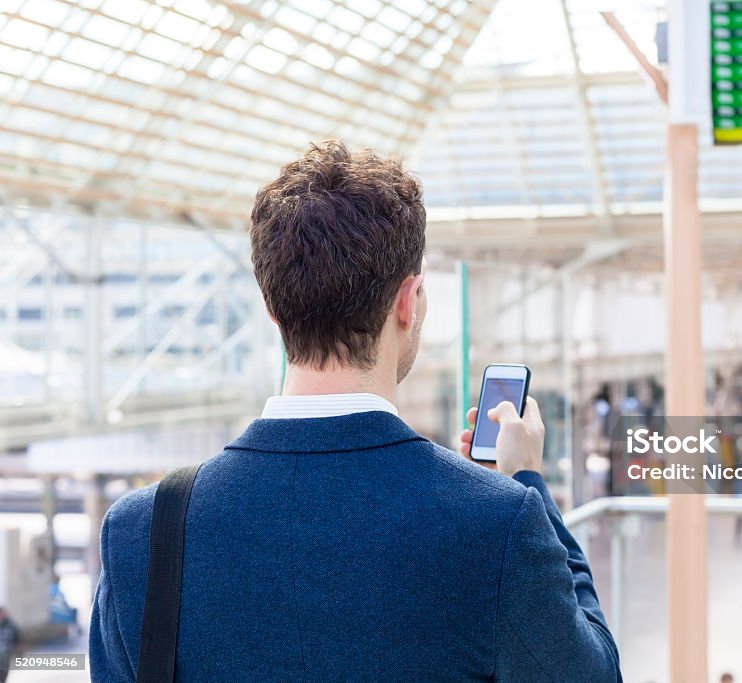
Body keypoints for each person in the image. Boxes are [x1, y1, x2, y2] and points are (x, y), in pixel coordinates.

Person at [90, 141, 621, 682]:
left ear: (272, 308)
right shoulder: (499, 522)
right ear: (407, 302)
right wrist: (528, 479)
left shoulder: (142, 531)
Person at [0, 607, 19, 682]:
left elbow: (17, 640)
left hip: (5, 658)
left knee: (3, 678)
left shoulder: (11, 626)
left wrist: (19, 654)